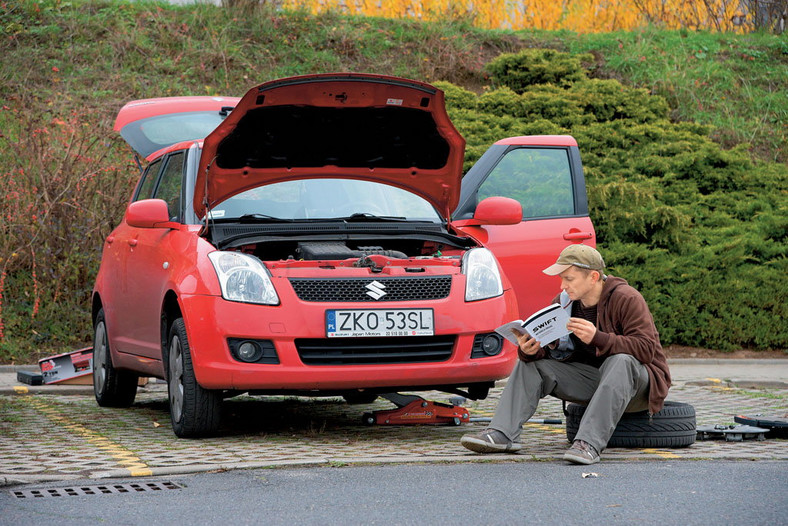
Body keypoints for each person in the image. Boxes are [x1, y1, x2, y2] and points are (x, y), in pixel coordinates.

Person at [460, 244, 671, 465]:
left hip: (638, 388)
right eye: (562, 279)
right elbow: (553, 352)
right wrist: (530, 350)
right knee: (530, 364)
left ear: (593, 276)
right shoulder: (563, 303)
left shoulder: (627, 298)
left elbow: (647, 349)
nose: (563, 285)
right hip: (594, 382)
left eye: (569, 278)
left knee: (621, 361)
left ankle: (588, 444)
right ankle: (503, 433)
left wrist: (598, 338)